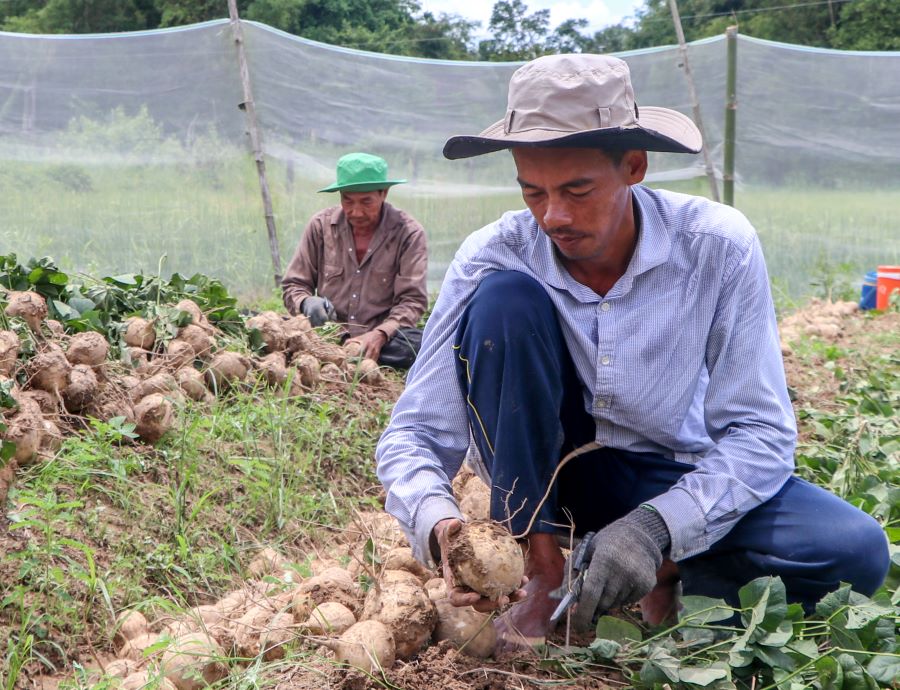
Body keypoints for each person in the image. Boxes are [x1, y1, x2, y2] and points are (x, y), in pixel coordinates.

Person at [375, 54, 889, 652]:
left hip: (670, 471)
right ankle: (543, 571)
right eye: (533, 192)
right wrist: (444, 531)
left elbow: (759, 431)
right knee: (504, 303)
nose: (554, 216)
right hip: (547, 479)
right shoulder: (495, 252)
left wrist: (656, 529)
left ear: (635, 166)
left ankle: (668, 572)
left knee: (850, 550)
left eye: (577, 190)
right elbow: (415, 431)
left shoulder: (716, 247)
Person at [282, 152, 428, 368]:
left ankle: (354, 352)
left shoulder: (408, 233)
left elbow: (412, 301)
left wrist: (379, 334)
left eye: (366, 201)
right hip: (326, 332)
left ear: (384, 194)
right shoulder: (321, 226)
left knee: (423, 345)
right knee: (257, 321)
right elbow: (294, 284)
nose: (356, 211)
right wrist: (306, 302)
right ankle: (335, 350)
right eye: (347, 201)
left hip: (382, 341)